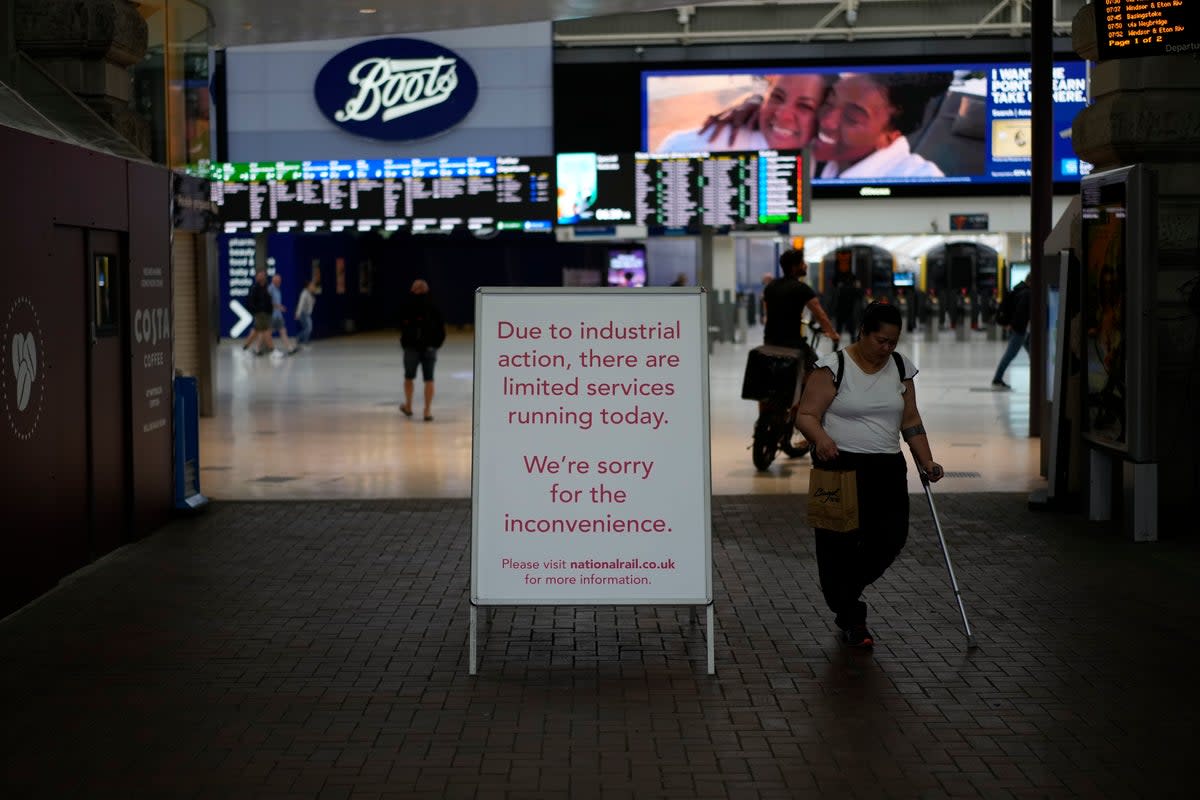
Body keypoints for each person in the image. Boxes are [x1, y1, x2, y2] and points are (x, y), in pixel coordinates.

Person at [794, 301, 944, 648]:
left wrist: (927, 461)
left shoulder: (899, 367)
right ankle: (852, 618)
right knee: (837, 546)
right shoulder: (834, 367)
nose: (887, 348)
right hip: (839, 466)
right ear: (862, 332)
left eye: (893, 341)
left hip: (886, 467)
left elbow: (910, 419)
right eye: (881, 340)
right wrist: (822, 438)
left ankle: (843, 593)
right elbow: (806, 414)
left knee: (891, 537)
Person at [812, 72, 952, 178]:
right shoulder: (811, 158)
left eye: (851, 118)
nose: (827, 122)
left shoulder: (924, 181)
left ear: (889, 137)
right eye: (828, 103)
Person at [658, 73, 829, 152]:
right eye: (777, 97)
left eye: (805, 107)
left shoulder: (832, 159)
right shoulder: (687, 148)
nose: (783, 115)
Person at [398, 279, 446, 421]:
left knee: (409, 377)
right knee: (429, 379)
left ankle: (408, 405)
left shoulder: (407, 305)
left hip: (412, 348)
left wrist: (405, 341)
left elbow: (401, 323)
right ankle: (427, 410)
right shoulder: (434, 306)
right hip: (429, 347)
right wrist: (436, 344)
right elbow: (441, 329)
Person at [991, 279, 1031, 389]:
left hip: (1022, 329)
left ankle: (1038, 377)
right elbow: (1021, 312)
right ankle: (997, 379)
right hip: (1020, 330)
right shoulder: (1027, 293)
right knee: (1010, 355)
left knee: (1033, 353)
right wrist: (1015, 326)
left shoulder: (1019, 290)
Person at [241, 270, 274, 355]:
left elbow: (269, 301)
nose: (262, 277)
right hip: (260, 313)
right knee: (265, 330)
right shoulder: (254, 288)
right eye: (260, 275)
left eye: (263, 275)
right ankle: (272, 349)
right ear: (257, 277)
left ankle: (247, 346)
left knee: (257, 330)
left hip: (265, 312)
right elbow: (250, 301)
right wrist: (256, 310)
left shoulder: (266, 287)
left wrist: (269, 310)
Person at [267, 274, 297, 357]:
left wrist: (279, 308)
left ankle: (290, 348)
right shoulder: (270, 289)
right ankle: (270, 350)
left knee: (283, 332)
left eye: (280, 280)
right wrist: (278, 307)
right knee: (267, 333)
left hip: (278, 315)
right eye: (277, 280)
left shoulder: (277, 289)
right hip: (271, 315)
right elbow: (268, 302)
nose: (279, 281)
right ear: (273, 280)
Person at [294, 280, 318, 348]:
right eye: (312, 285)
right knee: (308, 328)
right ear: (308, 286)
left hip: (307, 313)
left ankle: (303, 340)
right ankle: (300, 339)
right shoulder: (304, 293)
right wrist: (297, 313)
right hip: (303, 313)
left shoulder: (310, 294)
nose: (313, 287)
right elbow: (300, 304)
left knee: (307, 328)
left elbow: (311, 304)